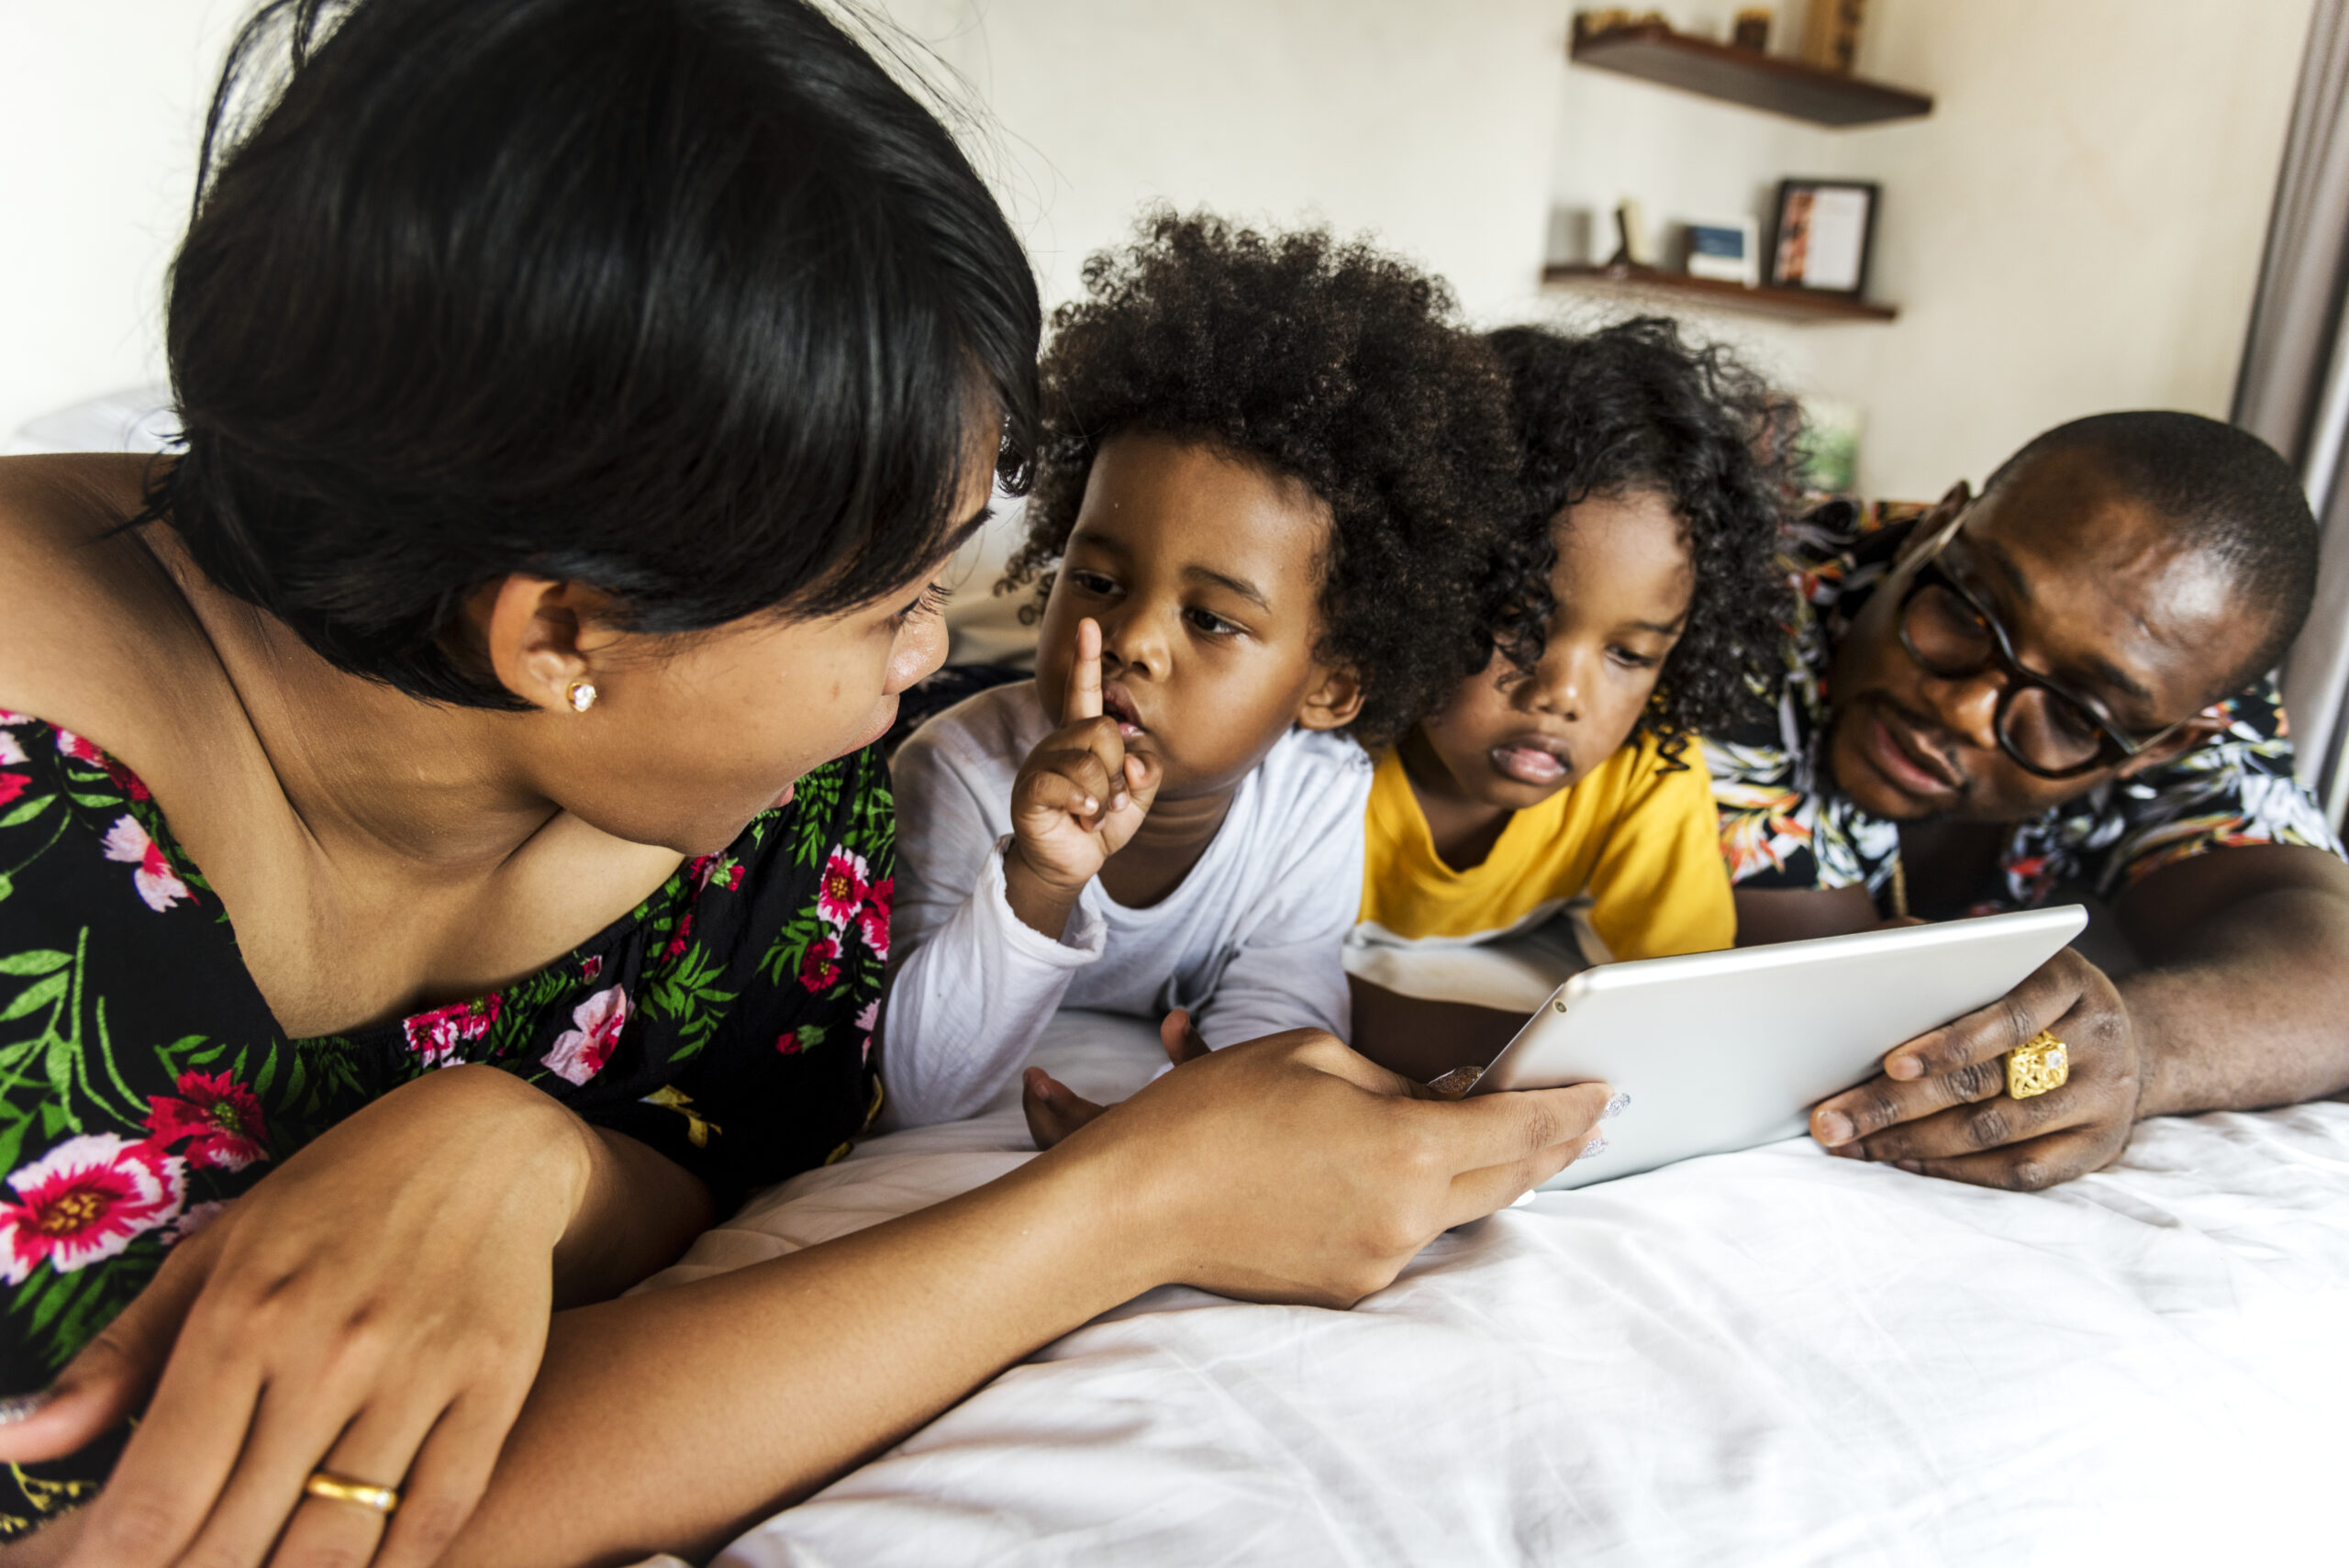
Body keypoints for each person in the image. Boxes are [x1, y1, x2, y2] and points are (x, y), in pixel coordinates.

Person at [0, 3, 1617, 1562]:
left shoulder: (784, 822)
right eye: (897, 601)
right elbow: (171, 1523)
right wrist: (1135, 1204)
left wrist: (511, 1152)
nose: (937, 659)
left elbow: (754, 1140)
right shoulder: (36, 843)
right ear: (566, 625)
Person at [885, 215, 1523, 1131]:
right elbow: (916, 1091)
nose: (1132, 635)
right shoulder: (961, 769)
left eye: (1212, 618)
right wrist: (1040, 871)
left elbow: (1277, 1018)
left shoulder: (1315, 797)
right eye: (1097, 580)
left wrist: (1174, 1128)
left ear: (1330, 686)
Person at [1712, 411, 2349, 1190]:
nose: (1966, 710)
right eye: (1970, 612)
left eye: (2074, 713)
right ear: (1935, 528)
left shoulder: (2173, 694)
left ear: (2163, 748)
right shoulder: (1749, 597)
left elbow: (2332, 961)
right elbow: (1847, 1018)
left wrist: (2132, 1049)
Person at [1346, 320, 1788, 1079]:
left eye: (1630, 654)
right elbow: (1251, 991)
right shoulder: (1321, 747)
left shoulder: (1645, 776)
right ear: (1425, 582)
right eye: (1522, 621)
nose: (1564, 693)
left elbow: (1686, 1006)